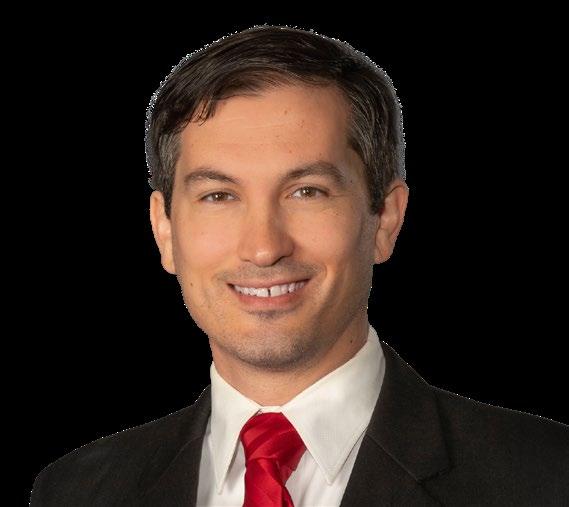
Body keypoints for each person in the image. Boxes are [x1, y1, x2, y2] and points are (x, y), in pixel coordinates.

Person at [30, 25, 568, 506]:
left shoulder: (548, 478)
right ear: (164, 230)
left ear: (385, 218)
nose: (264, 248)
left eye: (307, 191)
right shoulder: (75, 492)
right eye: (219, 196)